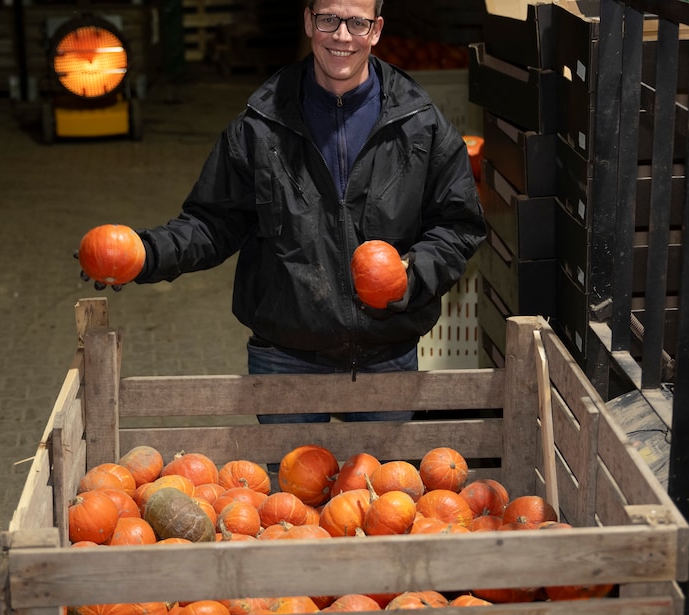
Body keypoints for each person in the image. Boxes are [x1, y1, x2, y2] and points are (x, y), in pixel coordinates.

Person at [83, 0, 485, 424]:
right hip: (285, 358)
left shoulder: (420, 124)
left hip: (386, 357)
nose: (342, 35)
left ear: (376, 29)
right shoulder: (261, 125)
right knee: (290, 472)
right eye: (329, 19)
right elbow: (213, 222)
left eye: (357, 22)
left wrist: (411, 274)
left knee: (382, 472)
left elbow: (458, 224)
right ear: (309, 21)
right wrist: (146, 253)